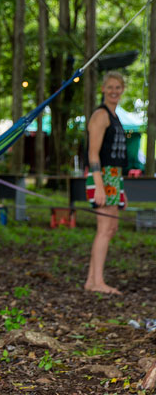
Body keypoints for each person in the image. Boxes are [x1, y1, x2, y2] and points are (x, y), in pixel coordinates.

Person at [84, 71, 128, 294]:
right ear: (103, 89)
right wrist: (99, 184)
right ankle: (98, 282)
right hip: (101, 175)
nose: (114, 91)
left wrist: (121, 189)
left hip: (113, 176)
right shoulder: (100, 115)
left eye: (118, 87)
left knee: (111, 227)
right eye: (110, 87)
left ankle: (92, 280)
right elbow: (93, 154)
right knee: (103, 228)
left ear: (122, 90)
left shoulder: (115, 116)